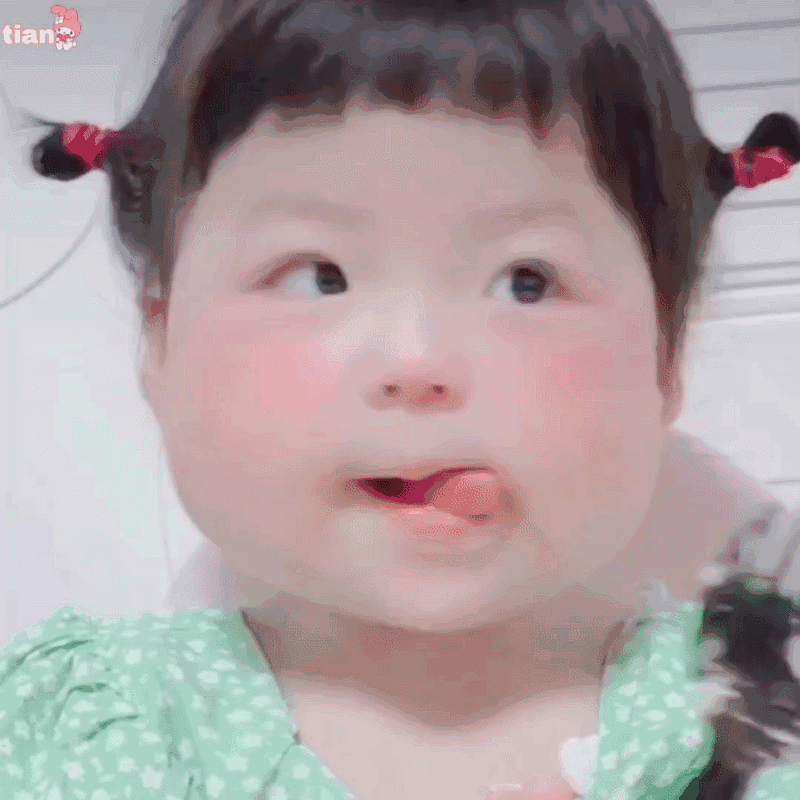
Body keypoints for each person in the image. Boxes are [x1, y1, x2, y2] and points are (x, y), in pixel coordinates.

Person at [2, 1, 800, 798]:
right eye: (321, 276)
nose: (417, 361)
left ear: (667, 357)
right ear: (160, 338)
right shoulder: (83, 734)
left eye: (526, 282)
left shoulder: (751, 720)